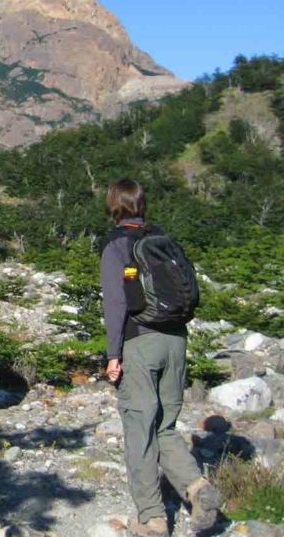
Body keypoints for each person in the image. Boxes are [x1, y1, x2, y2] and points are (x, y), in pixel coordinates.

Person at [101, 179, 218, 537]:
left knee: (139, 431)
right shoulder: (163, 240)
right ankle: (197, 487)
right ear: (140, 204)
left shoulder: (116, 245)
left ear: (113, 206)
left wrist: (113, 355)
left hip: (141, 343)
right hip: (176, 341)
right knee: (164, 426)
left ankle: (152, 518)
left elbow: (116, 303)